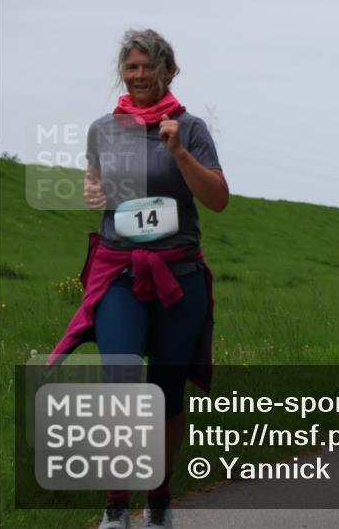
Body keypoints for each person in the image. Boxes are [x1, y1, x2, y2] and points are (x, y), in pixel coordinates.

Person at [48, 29, 229, 529]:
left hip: (179, 275)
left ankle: (160, 498)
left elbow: (217, 199)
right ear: (122, 74)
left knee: (167, 390)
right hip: (121, 273)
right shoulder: (103, 130)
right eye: (132, 67)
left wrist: (180, 154)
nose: (141, 75)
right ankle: (114, 504)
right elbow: (96, 183)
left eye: (150, 66)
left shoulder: (190, 128)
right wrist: (91, 190)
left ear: (169, 71)